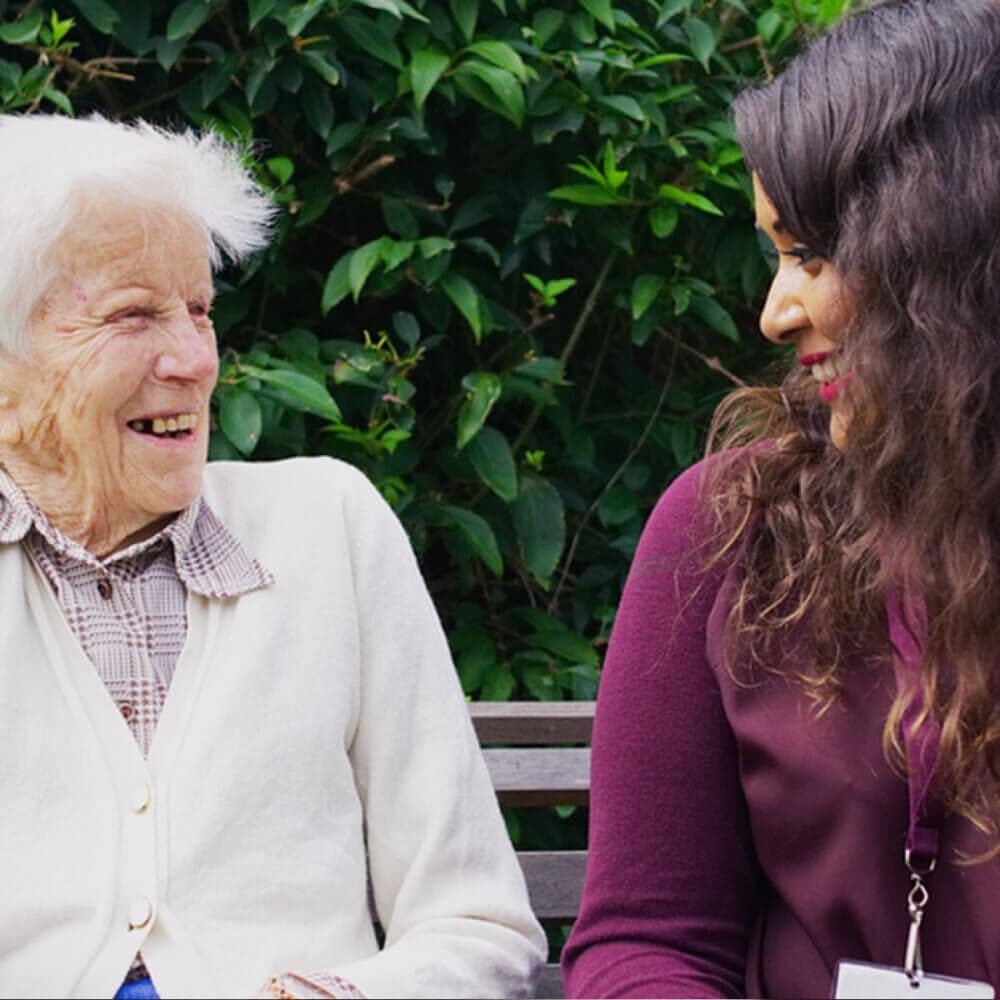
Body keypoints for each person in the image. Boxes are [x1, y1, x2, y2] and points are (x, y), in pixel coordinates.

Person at [0, 112, 546, 1000]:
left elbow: (477, 920)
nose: (193, 358)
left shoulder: (329, 524)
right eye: (133, 315)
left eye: (199, 311)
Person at [562, 1, 1000, 997]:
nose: (774, 311)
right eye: (776, 253)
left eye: (811, 256)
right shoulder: (726, 528)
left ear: (954, 254)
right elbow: (646, 938)